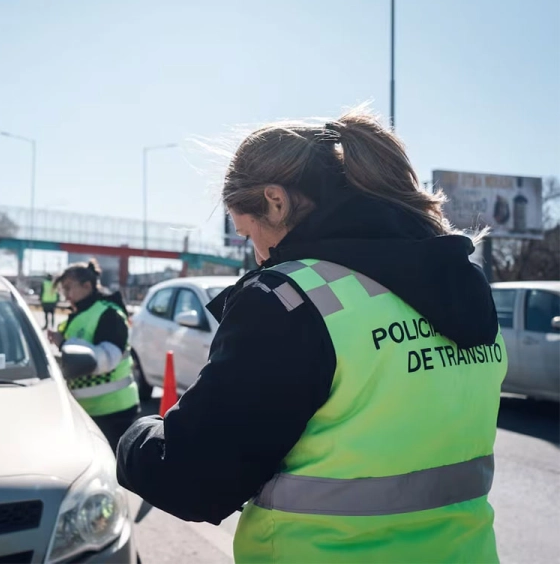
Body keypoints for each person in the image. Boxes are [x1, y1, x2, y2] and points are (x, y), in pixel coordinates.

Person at [116, 106, 507, 563]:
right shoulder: (463, 284)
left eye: (248, 233)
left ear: (276, 201)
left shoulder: (290, 300)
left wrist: (136, 437)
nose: (258, 255)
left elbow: (193, 481)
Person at [48, 259, 140, 450]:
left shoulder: (109, 314)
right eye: (63, 290)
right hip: (87, 411)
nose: (66, 295)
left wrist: (64, 343)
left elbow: (107, 358)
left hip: (113, 412)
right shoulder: (81, 315)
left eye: (68, 288)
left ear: (87, 286)